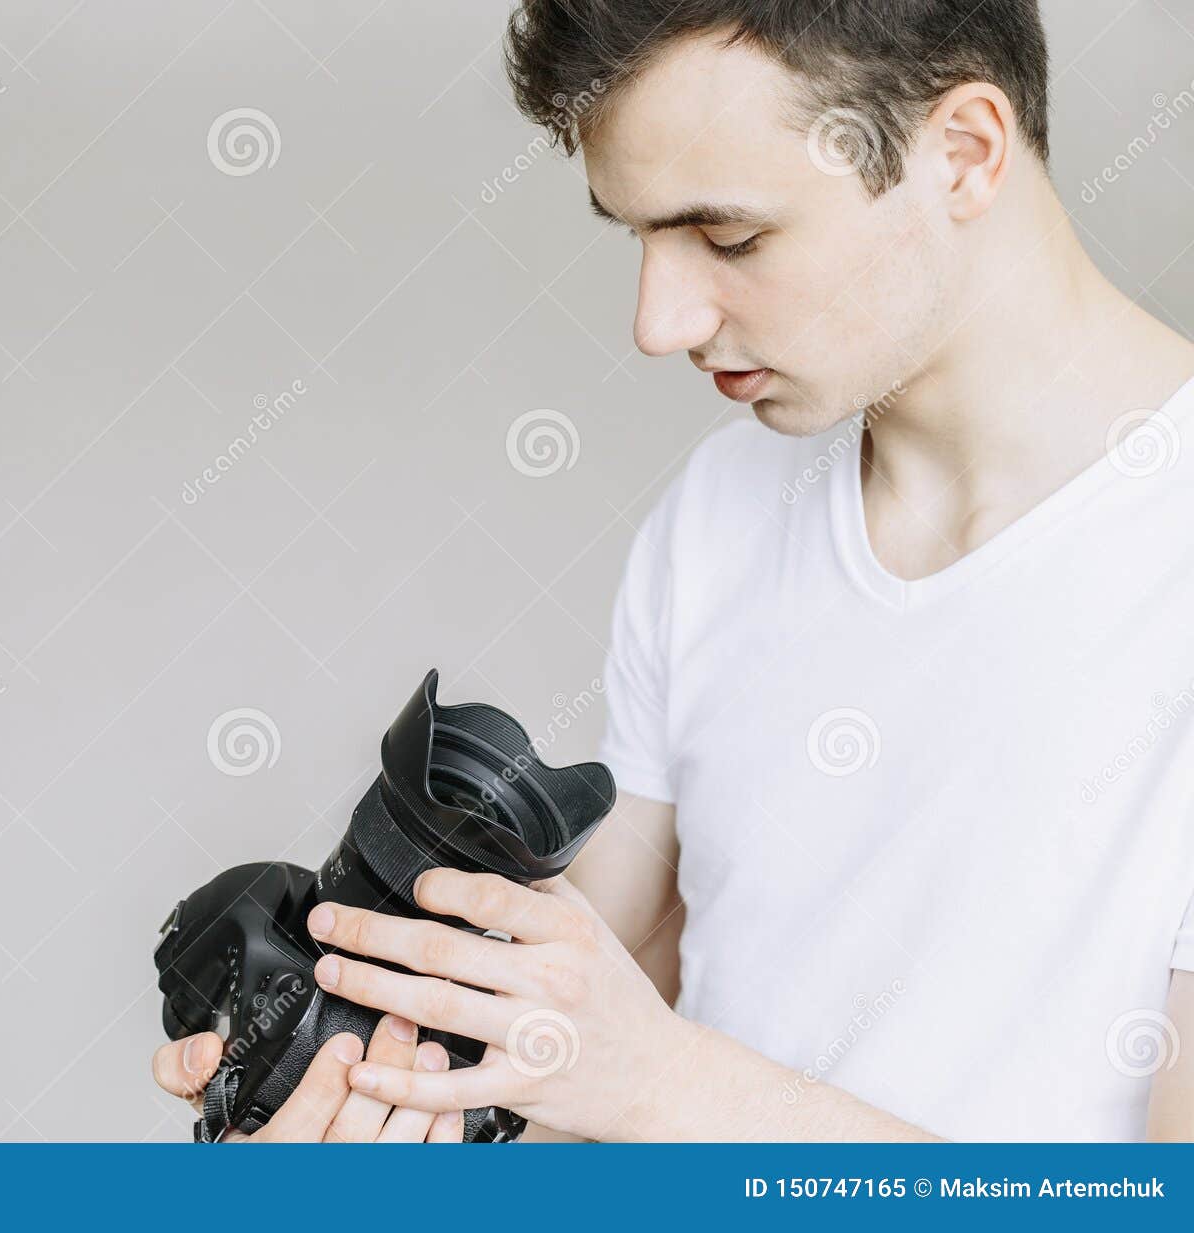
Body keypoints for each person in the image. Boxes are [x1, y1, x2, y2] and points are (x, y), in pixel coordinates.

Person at [153, 0, 1194, 1140]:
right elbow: (582, 1049)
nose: (659, 321)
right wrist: (377, 1077)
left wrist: (663, 1084)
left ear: (962, 153)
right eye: (636, 236)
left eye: (731, 238)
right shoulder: (721, 510)